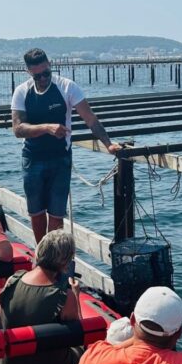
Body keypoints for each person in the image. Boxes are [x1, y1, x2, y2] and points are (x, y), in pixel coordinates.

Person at [11, 48, 122, 243]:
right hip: (32, 157)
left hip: (60, 158)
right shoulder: (22, 91)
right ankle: (42, 256)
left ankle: (55, 261)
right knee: (36, 213)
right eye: (38, 75)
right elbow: (18, 128)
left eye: (46, 72)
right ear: (29, 72)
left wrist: (108, 144)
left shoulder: (67, 87)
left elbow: (90, 119)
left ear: (50, 65)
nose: (43, 78)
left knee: (56, 215)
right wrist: (46, 128)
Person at [0, 229, 82, 364]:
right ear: (65, 262)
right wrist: (75, 295)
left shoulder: (12, 281)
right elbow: (79, 335)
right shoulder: (64, 296)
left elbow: (3, 318)